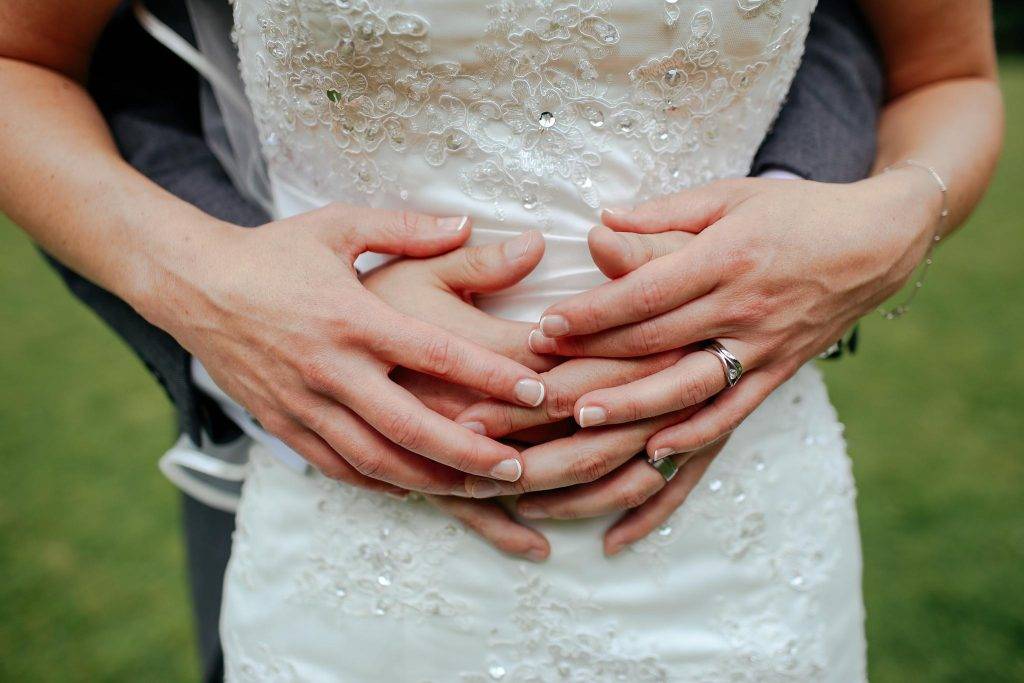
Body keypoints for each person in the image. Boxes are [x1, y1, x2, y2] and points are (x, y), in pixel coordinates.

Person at [0, 0, 1001, 680]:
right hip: (357, 538)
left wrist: (898, 213)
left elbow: (946, 76)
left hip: (744, 535)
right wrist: (219, 287)